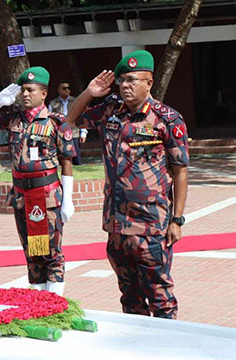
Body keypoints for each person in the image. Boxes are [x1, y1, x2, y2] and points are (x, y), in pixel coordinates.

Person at [66, 50, 189, 319]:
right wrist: (89, 92)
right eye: (122, 80)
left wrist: (177, 220)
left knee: (160, 293)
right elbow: (71, 119)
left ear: (149, 82)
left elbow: (180, 171)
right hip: (116, 222)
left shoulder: (167, 118)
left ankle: (168, 348)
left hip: (151, 222)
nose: (125, 86)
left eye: (132, 80)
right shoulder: (109, 111)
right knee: (129, 294)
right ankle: (137, 348)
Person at [0, 66, 76, 296]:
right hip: (22, 197)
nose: (25, 94)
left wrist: (68, 199)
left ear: (43, 93)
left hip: (47, 196)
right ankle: (38, 303)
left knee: (51, 253)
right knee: (32, 253)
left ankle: (54, 304)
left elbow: (67, 161)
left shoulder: (55, 122)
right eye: (22, 90)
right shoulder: (14, 119)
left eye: (30, 90)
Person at [48, 80, 85, 165]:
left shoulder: (76, 101)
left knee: (76, 160)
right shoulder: (53, 103)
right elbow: (49, 119)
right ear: (59, 90)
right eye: (64, 88)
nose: (67, 90)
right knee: (61, 159)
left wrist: (83, 132)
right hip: (59, 134)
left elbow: (81, 117)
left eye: (68, 88)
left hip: (74, 132)